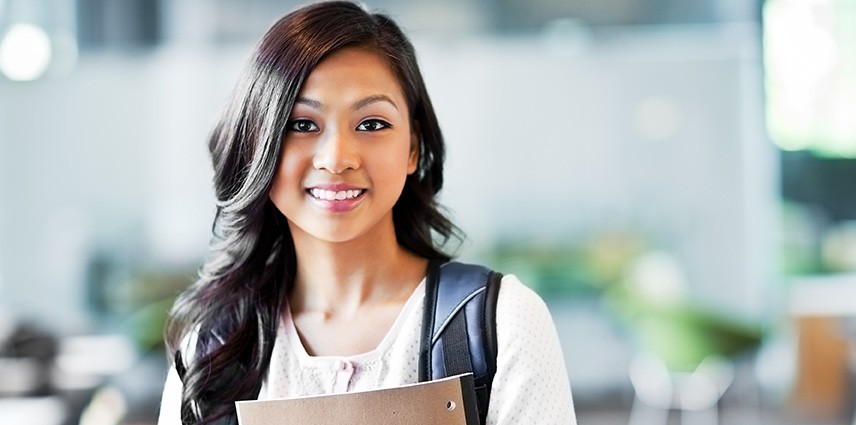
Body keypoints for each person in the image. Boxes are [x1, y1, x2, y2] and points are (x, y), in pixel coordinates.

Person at [156, 2, 576, 424]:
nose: (337, 159)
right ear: (258, 144)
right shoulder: (213, 349)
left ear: (413, 147)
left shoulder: (503, 323)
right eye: (302, 124)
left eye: (372, 124)